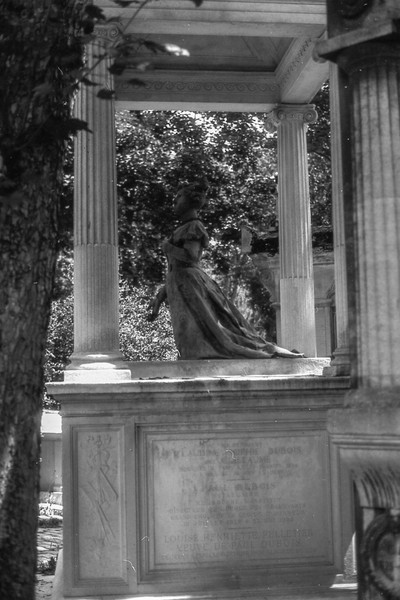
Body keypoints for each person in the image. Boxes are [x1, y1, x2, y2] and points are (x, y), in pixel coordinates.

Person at [148, 180, 304, 360]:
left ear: (191, 201)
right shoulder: (183, 228)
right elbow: (175, 269)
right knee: (191, 339)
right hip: (180, 285)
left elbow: (191, 257)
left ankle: (270, 352)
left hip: (191, 285)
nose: (174, 201)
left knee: (218, 336)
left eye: (179, 197)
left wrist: (168, 247)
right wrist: (159, 297)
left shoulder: (194, 226)